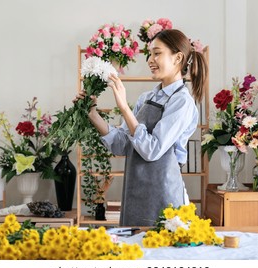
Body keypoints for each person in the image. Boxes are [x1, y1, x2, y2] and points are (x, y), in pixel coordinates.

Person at [74, 29, 208, 226]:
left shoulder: (182, 102)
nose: (150, 60)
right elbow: (121, 144)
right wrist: (92, 114)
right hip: (135, 191)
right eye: (149, 54)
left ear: (177, 57)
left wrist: (124, 107)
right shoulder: (147, 98)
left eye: (157, 53)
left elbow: (152, 150)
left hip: (165, 195)